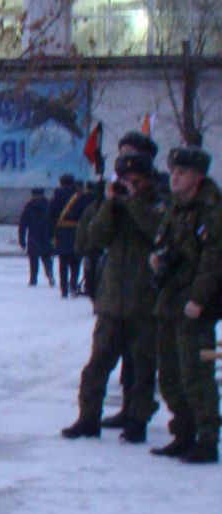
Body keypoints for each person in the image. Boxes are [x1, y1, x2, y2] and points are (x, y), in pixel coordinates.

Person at [61, 154, 164, 444]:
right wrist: (109, 204)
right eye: (124, 180)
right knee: (96, 365)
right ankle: (88, 418)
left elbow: (159, 234)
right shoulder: (113, 206)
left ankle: (137, 421)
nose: (129, 185)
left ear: (148, 180)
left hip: (144, 300)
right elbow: (91, 239)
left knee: (142, 369)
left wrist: (134, 202)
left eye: (136, 181)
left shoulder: (159, 203)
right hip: (112, 300)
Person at [149, 147, 221, 463]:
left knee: (196, 375)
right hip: (169, 300)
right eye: (174, 171)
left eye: (182, 173)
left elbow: (213, 261)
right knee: (169, 374)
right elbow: (165, 243)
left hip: (194, 305)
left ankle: (207, 439)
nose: (175, 177)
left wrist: (198, 299)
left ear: (198, 177)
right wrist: (157, 260)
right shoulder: (174, 207)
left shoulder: (211, 210)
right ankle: (183, 432)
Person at [54, 176, 96, 298]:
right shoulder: (82, 198)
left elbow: (52, 216)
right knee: (75, 261)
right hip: (77, 231)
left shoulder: (56, 197)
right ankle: (73, 285)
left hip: (62, 232)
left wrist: (52, 234)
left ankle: (63, 289)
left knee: (63, 263)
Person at [18, 188, 55, 287]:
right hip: (46, 235)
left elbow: (23, 224)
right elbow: (53, 222)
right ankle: (50, 274)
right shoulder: (48, 205)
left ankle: (33, 279)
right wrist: (54, 236)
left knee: (33, 259)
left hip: (33, 235)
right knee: (47, 258)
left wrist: (22, 240)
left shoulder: (29, 206)